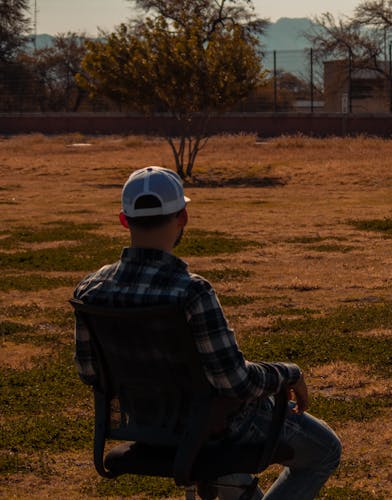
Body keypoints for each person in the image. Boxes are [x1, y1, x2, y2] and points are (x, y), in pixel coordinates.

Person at [73, 166, 341, 499]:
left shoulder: (90, 289)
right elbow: (235, 382)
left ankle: (232, 482)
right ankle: (231, 480)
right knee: (326, 449)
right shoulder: (192, 292)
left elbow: (89, 373)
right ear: (183, 217)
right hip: (214, 427)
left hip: (144, 425)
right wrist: (289, 373)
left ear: (124, 220)